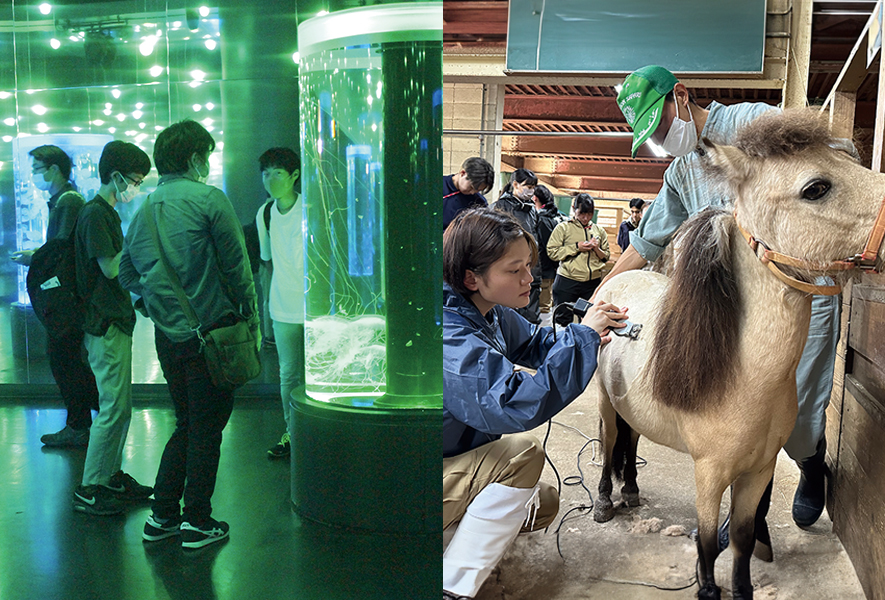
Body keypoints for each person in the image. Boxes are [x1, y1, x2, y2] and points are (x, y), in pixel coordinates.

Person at [600, 64, 837, 528]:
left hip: (794, 296)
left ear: (682, 96)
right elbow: (645, 244)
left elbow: (821, 167)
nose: (660, 138)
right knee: (737, 409)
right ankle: (752, 512)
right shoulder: (680, 173)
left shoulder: (755, 125)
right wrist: (600, 292)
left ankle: (811, 460)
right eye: (649, 134)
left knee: (798, 409)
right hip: (733, 307)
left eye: (662, 124)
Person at [442, 208, 627, 600]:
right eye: (515, 270)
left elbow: (536, 344)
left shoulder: (487, 313)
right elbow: (512, 403)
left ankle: (449, 537)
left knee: (541, 503)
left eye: (529, 265)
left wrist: (586, 333)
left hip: (457, 452)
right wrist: (581, 342)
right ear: (471, 277)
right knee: (521, 455)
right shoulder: (449, 334)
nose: (530, 278)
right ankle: (451, 586)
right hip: (415, 474)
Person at [120, 119, 259, 548]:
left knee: (188, 422)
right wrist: (252, 320)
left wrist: (156, 307)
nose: (208, 164)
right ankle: (196, 519)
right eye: (207, 156)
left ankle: (163, 515)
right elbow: (238, 270)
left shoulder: (141, 209)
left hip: (170, 338)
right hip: (214, 335)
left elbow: (127, 273)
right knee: (206, 427)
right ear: (196, 157)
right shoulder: (209, 200)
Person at [73, 140, 154, 516]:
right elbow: (109, 267)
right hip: (104, 324)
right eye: (134, 180)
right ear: (116, 175)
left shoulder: (106, 212)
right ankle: (91, 486)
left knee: (121, 407)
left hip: (114, 320)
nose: (134, 187)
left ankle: (109, 475)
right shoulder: (95, 214)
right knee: (112, 408)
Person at [11, 145, 99, 448]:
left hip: (66, 298)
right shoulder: (65, 200)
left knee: (65, 360)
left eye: (37, 169)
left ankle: (80, 424)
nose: (35, 176)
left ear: (53, 169)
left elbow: (60, 248)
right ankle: (86, 419)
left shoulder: (68, 201)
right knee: (68, 359)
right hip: (68, 296)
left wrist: (34, 258)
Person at [254, 147, 304, 459]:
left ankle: (315, 430)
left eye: (278, 173)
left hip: (314, 309)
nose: (271, 180)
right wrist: (264, 313)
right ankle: (292, 432)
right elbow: (266, 264)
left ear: (295, 176)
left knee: (317, 373)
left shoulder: (310, 208)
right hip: (282, 306)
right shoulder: (265, 213)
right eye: (266, 173)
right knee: (288, 374)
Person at [546, 193, 610, 326]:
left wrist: (597, 249)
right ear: (573, 208)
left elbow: (606, 257)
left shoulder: (599, 230)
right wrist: (576, 247)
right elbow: (552, 252)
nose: (585, 218)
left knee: (590, 319)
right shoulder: (563, 228)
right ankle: (562, 344)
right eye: (581, 213)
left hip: (592, 283)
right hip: (567, 280)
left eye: (589, 214)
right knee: (562, 319)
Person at [493, 168, 541, 324]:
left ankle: (530, 331)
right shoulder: (501, 206)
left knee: (531, 296)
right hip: (512, 263)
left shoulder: (532, 209)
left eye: (533, 187)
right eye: (528, 186)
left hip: (531, 261)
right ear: (515, 184)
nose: (531, 191)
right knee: (511, 303)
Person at [532, 184, 565, 314]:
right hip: (555, 268)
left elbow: (545, 247)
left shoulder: (542, 219)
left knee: (543, 308)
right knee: (549, 304)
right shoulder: (558, 217)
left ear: (535, 198)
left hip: (544, 268)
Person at [443, 157, 495, 230]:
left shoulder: (479, 202)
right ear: (463, 173)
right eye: (471, 187)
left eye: (478, 190)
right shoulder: (434, 186)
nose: (472, 192)